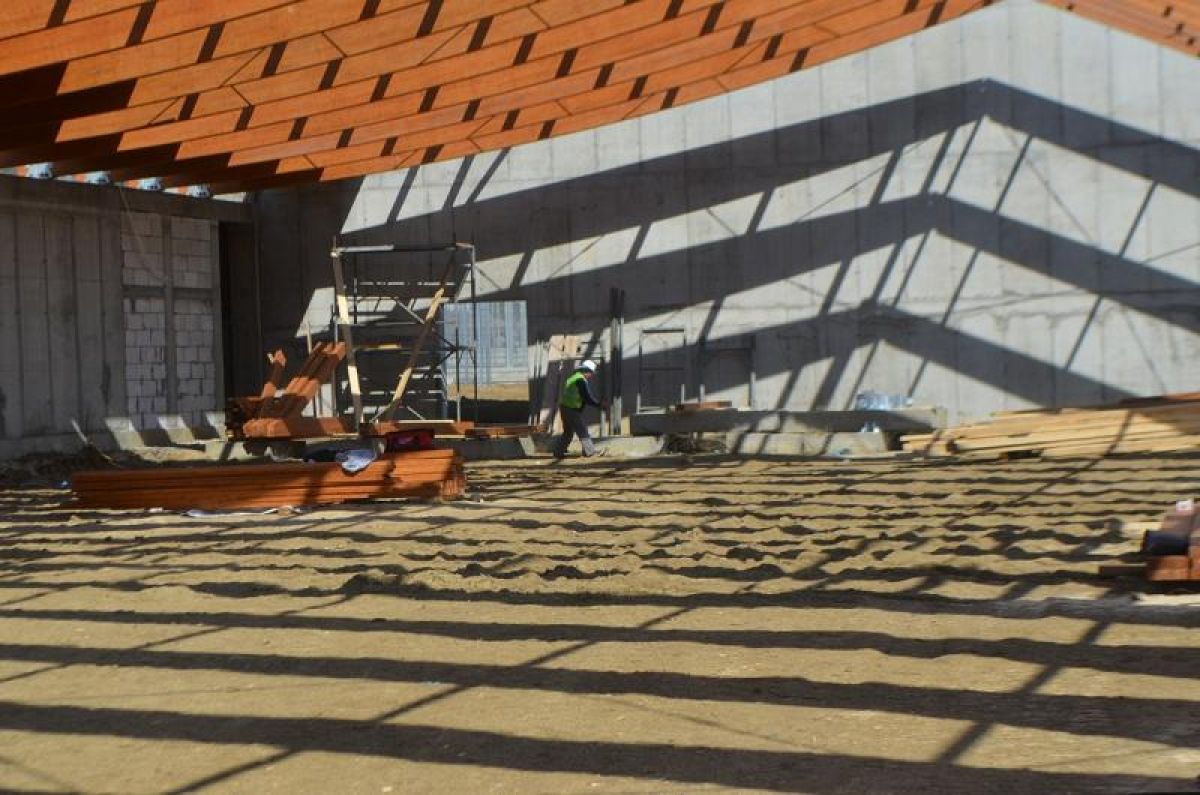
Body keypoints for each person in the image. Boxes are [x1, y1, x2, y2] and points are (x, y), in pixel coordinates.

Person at [554, 359, 607, 459]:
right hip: (571, 409)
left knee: (568, 432)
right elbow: (586, 397)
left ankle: (558, 451)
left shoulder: (574, 377)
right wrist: (599, 405)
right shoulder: (580, 380)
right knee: (582, 430)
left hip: (565, 407)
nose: (591, 375)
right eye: (591, 372)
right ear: (586, 371)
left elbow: (579, 397)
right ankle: (590, 452)